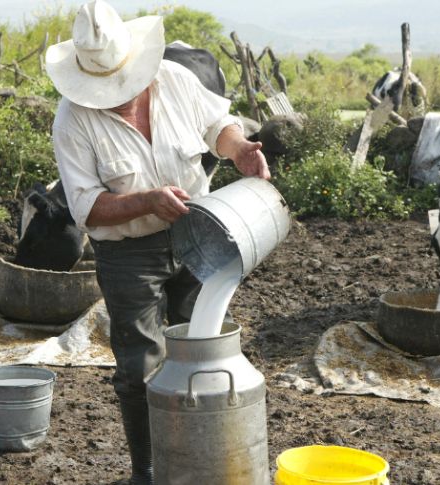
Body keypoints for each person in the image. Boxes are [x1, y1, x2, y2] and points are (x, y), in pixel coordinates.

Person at [44, 1, 270, 483]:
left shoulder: (175, 78)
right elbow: (86, 208)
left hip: (198, 233)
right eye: (106, 90)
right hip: (129, 254)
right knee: (141, 367)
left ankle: (206, 460)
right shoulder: (72, 120)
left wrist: (239, 149)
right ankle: (150, 471)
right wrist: (145, 201)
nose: (120, 96)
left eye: (124, 84)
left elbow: (216, 125)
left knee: (205, 352)